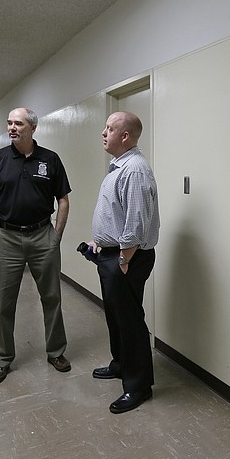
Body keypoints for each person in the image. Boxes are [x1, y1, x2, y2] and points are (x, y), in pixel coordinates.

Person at [0, 107, 72, 384]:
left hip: (43, 235)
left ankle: (56, 352)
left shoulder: (50, 160)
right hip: (7, 238)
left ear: (33, 128)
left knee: (52, 297)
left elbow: (63, 199)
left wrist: (56, 236)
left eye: (18, 123)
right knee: (3, 303)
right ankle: (1, 359)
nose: (12, 128)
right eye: (9, 123)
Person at [87, 111, 160, 414]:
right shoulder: (118, 167)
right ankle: (120, 364)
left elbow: (137, 223)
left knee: (130, 322)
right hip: (113, 254)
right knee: (116, 317)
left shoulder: (135, 170)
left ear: (125, 136)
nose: (103, 133)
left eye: (109, 128)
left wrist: (122, 259)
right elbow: (117, 214)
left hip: (128, 258)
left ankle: (138, 386)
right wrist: (99, 242)